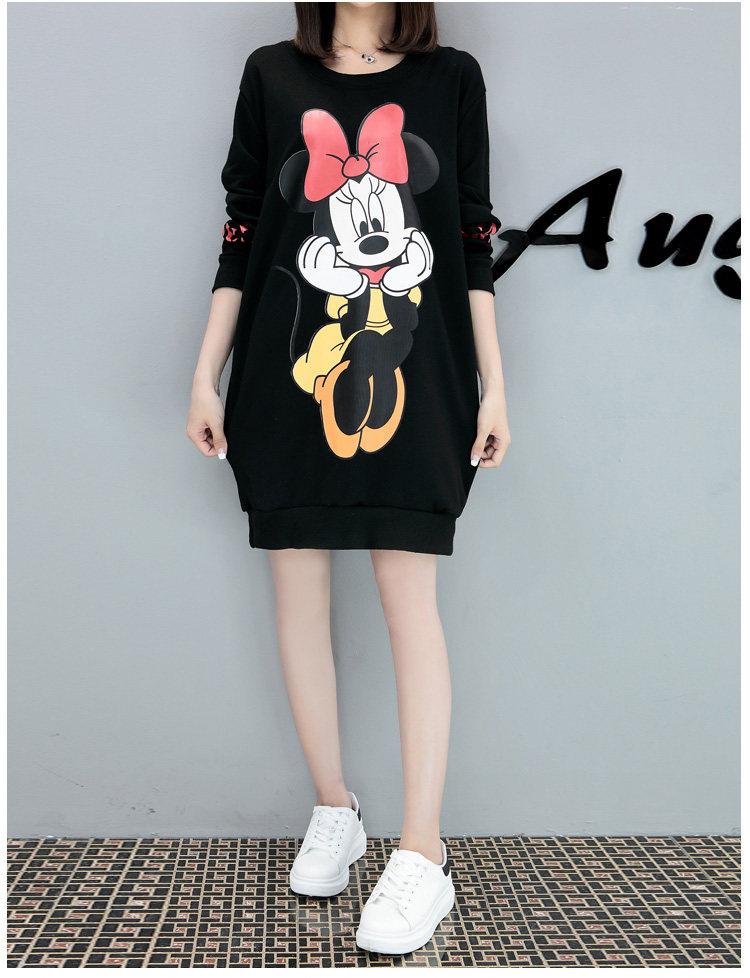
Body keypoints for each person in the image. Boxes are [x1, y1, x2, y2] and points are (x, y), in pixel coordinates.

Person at [187, 1, 510, 957]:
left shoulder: (452, 79)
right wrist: (205, 372)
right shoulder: (271, 73)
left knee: (411, 604)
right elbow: (243, 230)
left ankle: (422, 851)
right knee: (297, 595)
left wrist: (496, 386)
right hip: (289, 367)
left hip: (422, 372)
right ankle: (336, 807)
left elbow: (472, 236)